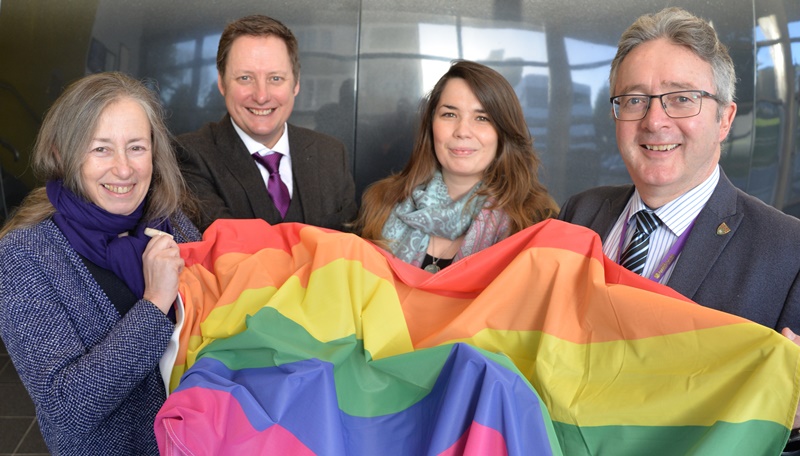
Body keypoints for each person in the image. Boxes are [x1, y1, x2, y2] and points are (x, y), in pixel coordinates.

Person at [556, 7, 800, 434]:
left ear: (725, 118)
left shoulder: (790, 252)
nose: (654, 121)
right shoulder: (580, 213)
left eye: (682, 98)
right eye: (634, 100)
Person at [0, 72, 201, 455]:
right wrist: (156, 303)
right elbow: (65, 408)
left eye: (137, 148)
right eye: (101, 149)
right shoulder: (24, 255)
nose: (124, 169)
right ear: (62, 154)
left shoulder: (170, 221)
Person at [354, 60, 558, 272]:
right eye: (449, 114)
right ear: (431, 125)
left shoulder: (534, 219)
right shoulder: (380, 202)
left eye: (482, 118)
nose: (462, 131)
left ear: (503, 132)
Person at [176, 14, 357, 232]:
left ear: (296, 84)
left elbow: (350, 250)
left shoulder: (332, 155)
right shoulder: (187, 157)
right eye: (245, 78)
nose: (261, 96)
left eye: (275, 79)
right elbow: (228, 249)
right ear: (222, 84)